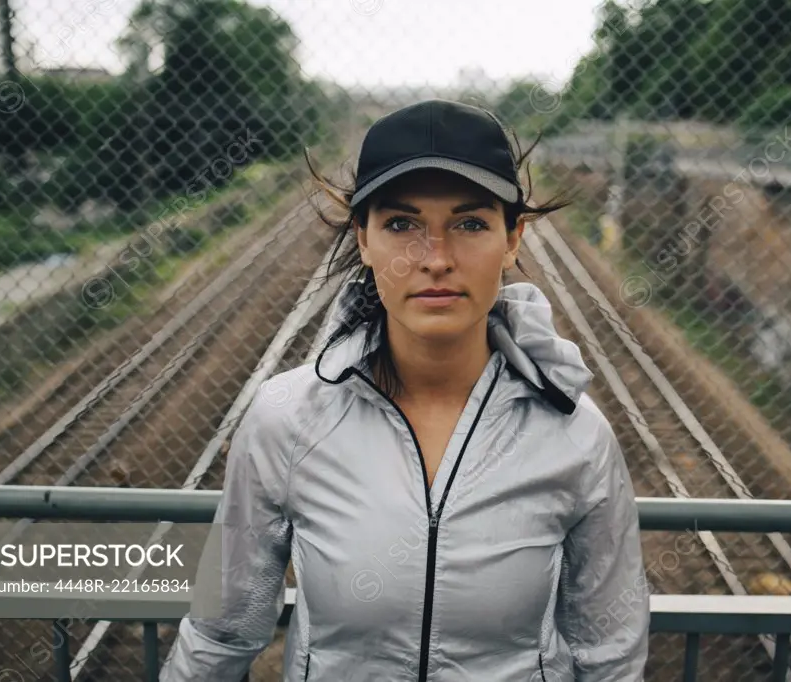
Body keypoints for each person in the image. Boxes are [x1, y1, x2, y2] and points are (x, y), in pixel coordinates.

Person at [160, 98, 649, 681]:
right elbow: (221, 631)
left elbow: (610, 655)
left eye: (470, 224)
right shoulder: (286, 421)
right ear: (363, 240)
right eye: (401, 224)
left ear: (512, 238)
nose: (436, 258)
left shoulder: (576, 434)